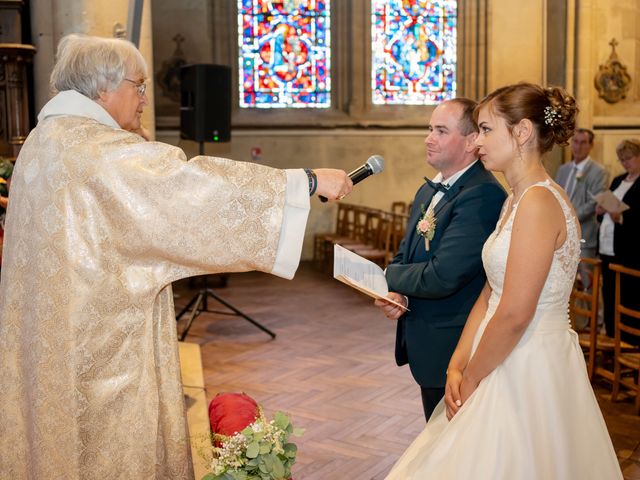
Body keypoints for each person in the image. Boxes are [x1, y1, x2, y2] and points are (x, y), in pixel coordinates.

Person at [0, 34, 352, 479]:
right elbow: (190, 191)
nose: (145, 98)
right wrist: (303, 181)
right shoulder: (102, 153)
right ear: (104, 88)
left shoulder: (43, 140)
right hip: (102, 354)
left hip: (50, 345)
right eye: (138, 85)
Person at [385, 82, 622, 479]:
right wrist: (456, 364)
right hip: (494, 351)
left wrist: (473, 376)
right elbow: (489, 291)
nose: (478, 141)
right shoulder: (515, 198)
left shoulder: (539, 202)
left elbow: (514, 312)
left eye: (486, 129)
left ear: (522, 132)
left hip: (527, 362)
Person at [374, 98, 506, 421]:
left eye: (441, 131)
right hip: (426, 339)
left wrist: (389, 274)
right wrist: (401, 294)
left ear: (471, 141)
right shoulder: (427, 191)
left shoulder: (482, 194)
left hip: (454, 346)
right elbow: (406, 253)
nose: (428, 138)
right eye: (429, 129)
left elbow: (444, 275)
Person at [555, 129, 608, 327]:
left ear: (590, 145)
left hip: (585, 233)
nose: (578, 146)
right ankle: (573, 321)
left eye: (583, 142)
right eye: (575, 142)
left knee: (589, 282)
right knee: (565, 282)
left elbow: (594, 203)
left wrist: (567, 216)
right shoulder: (564, 169)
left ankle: (595, 323)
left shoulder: (598, 171)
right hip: (562, 235)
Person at [597, 139, 640, 342]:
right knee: (609, 294)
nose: (624, 163)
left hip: (629, 251)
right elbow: (608, 205)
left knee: (628, 296)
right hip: (608, 248)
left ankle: (628, 342)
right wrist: (601, 211)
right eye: (621, 159)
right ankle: (611, 337)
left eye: (628, 158)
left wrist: (622, 217)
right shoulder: (618, 180)